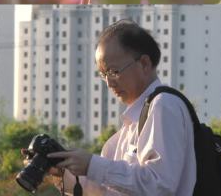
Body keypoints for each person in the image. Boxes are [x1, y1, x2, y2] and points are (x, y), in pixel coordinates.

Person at [42, 19, 196, 195]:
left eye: (114, 71)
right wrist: (63, 172)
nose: (109, 82)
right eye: (103, 74)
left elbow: (158, 185)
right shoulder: (127, 130)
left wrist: (92, 164)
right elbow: (108, 192)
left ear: (144, 63)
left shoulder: (164, 105)